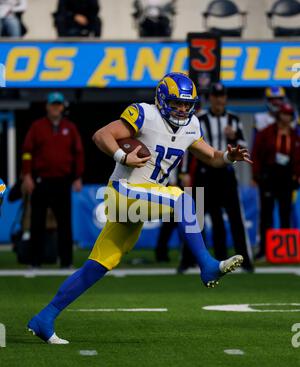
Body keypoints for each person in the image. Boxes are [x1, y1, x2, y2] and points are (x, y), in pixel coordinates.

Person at [27, 73, 252, 345]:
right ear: (162, 99)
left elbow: (212, 157)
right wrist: (122, 155)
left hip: (143, 198)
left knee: (97, 265)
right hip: (123, 192)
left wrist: (229, 157)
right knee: (185, 200)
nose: (182, 109)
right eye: (176, 103)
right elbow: (102, 135)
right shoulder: (144, 114)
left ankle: (45, 318)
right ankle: (207, 265)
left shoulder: (192, 124)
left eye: (186, 104)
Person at [179, 83, 253, 272]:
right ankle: (188, 260)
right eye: (216, 96)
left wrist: (234, 137)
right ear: (210, 98)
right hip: (204, 174)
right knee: (197, 218)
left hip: (226, 174)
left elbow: (243, 146)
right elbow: (187, 146)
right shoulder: (198, 120)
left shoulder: (234, 119)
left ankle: (244, 260)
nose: (219, 99)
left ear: (225, 98)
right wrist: (185, 172)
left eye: (222, 96)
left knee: (235, 217)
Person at [22, 92, 84, 269]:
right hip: (41, 181)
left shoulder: (70, 128)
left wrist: (78, 177)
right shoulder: (37, 127)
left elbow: (78, 153)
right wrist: (26, 175)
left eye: (58, 105)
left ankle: (66, 261)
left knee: (65, 223)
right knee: (37, 223)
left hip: (63, 181)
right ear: (47, 106)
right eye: (53, 104)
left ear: (62, 107)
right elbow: (27, 152)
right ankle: (34, 262)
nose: (56, 107)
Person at [252, 102, 300, 260]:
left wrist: (297, 177)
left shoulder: (294, 135)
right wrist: (256, 174)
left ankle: (286, 250)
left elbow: (298, 159)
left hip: (286, 178)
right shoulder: (266, 133)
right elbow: (256, 153)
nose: (286, 117)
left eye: (289, 115)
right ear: (279, 115)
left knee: (285, 213)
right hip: (269, 176)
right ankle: (264, 250)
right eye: (284, 114)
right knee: (266, 214)